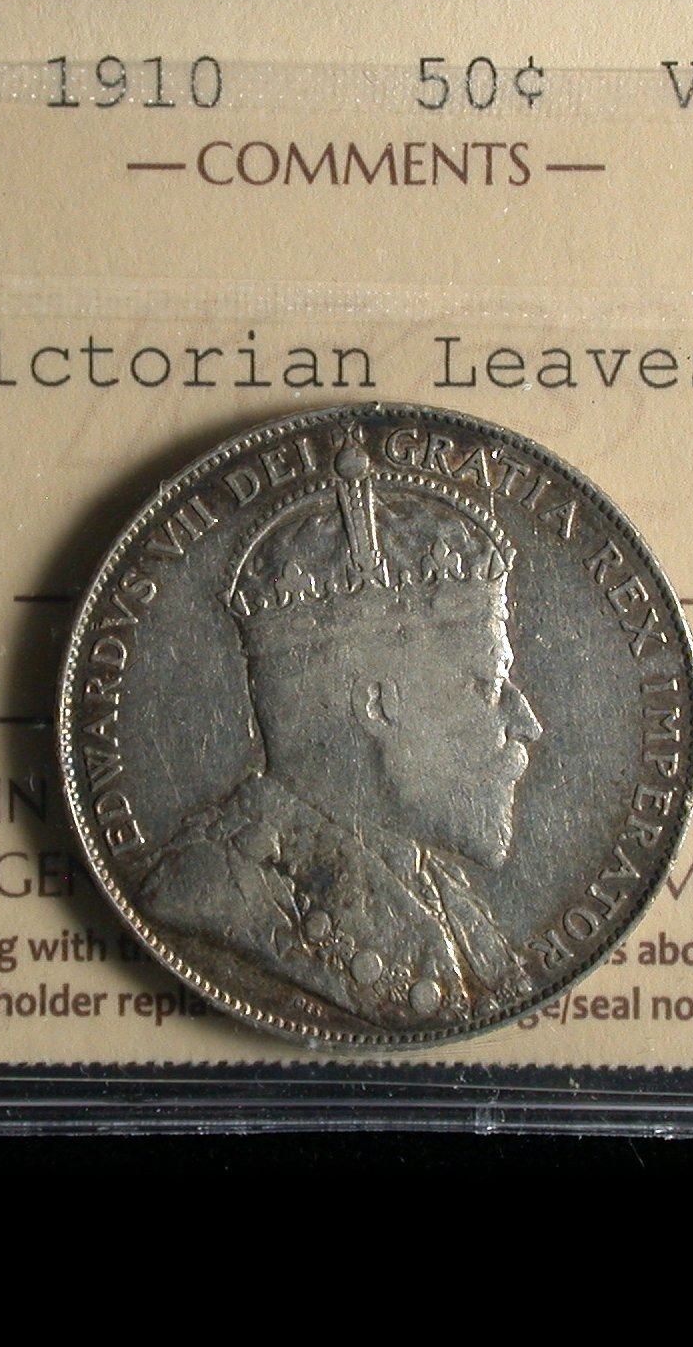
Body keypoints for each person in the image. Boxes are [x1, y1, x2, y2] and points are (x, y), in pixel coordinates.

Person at [140, 428, 543, 1030]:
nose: (526, 723)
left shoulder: (438, 891)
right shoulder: (208, 900)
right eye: (488, 686)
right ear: (378, 706)